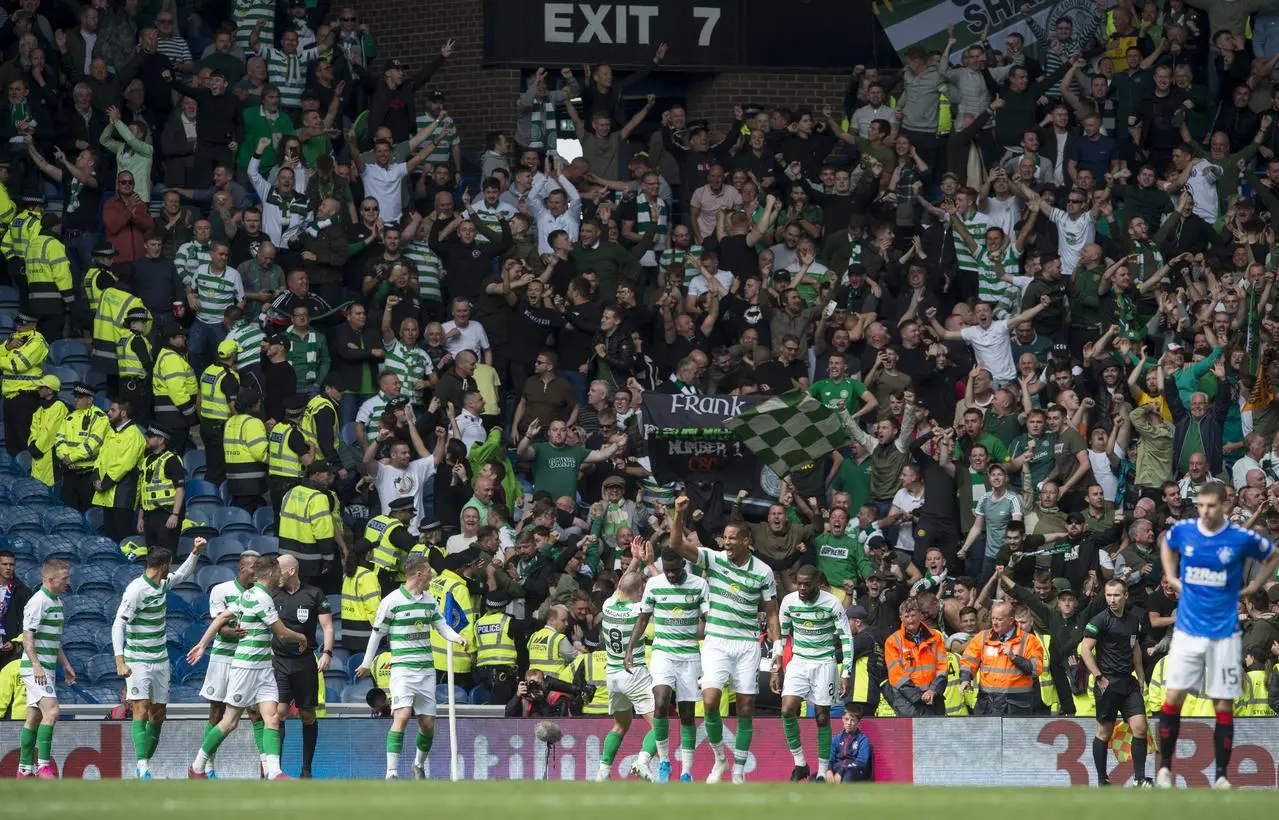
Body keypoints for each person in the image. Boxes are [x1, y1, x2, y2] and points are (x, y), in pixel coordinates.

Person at [1156, 482, 1279, 789]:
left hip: (1223, 633)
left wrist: (1253, 587)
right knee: (1173, 698)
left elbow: (1273, 555)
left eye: (1211, 505)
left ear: (1225, 504)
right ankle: (1165, 770)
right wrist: (1170, 575)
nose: (1205, 511)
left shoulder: (1238, 538)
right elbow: (1166, 542)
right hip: (1187, 631)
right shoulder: (1185, 530)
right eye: (1200, 505)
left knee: (1223, 703)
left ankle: (1222, 776)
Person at [670, 494, 779, 783]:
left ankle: (739, 771)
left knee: (745, 707)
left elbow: (771, 613)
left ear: (746, 541)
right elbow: (676, 545)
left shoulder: (763, 572)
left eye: (732, 539)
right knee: (709, 702)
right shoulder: (714, 559)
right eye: (725, 538)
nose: (726, 543)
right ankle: (720, 758)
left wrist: (778, 648)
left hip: (746, 644)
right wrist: (678, 514)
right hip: (716, 639)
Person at [186, 554, 309, 780]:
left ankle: (274, 772)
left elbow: (221, 617)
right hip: (245, 668)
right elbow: (281, 633)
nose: (282, 576)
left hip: (262, 670)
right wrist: (301, 637)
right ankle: (197, 765)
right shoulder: (262, 598)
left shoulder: (249, 595)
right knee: (229, 722)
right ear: (271, 573)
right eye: (280, 572)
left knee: (271, 717)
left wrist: (203, 644)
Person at [355, 553, 467, 779]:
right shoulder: (392, 601)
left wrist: (457, 638)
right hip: (403, 670)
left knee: (427, 725)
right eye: (428, 571)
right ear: (419, 574)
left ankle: (418, 764)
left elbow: (441, 625)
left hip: (426, 670)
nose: (431, 575)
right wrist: (366, 663)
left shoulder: (428, 601)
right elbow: (377, 635)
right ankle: (391, 773)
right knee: (403, 715)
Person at [113, 539, 206, 780]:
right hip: (138, 660)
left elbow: (184, 573)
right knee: (140, 710)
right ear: (164, 565)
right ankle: (143, 766)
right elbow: (118, 625)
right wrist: (120, 660)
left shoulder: (162, 584)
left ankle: (142, 763)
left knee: (158, 714)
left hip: (160, 659)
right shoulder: (135, 590)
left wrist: (195, 552)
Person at [626, 543, 710, 783]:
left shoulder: (698, 585)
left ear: (684, 564)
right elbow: (643, 619)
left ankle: (686, 772)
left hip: (689, 656)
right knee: (661, 702)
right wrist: (630, 649)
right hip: (663, 653)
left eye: (675, 569)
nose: (671, 575)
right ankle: (663, 762)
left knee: (687, 714)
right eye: (668, 570)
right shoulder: (654, 584)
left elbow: (708, 618)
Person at [774, 565, 854, 782]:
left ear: (817, 583)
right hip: (798, 661)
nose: (801, 588)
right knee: (787, 709)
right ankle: (800, 763)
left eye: (806, 584)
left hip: (824, 663)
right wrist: (776, 665)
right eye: (799, 583)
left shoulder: (831, 603)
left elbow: (846, 637)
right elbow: (781, 634)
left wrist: (845, 671)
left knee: (821, 716)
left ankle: (821, 771)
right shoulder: (789, 602)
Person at [1081, 578, 1151, 787]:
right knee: (1104, 732)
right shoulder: (1099, 621)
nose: (1112, 599)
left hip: (1128, 683)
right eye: (1109, 595)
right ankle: (1103, 781)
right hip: (1108, 683)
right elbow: (1085, 650)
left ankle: (1140, 779)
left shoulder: (1134, 621)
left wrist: (1140, 675)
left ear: (1125, 596)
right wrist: (1099, 676)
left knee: (1140, 727)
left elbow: (1135, 647)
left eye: (1116, 595)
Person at [270, 554, 333, 779]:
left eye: (279, 569)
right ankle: (274, 770)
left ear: (291, 571)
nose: (275, 574)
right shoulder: (272, 594)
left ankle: (306, 770)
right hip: (278, 661)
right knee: (279, 713)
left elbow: (327, 627)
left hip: (305, 662)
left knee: (307, 714)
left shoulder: (314, 594)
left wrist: (327, 652)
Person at [595, 571, 658, 781]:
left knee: (620, 725)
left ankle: (602, 772)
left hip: (612, 675)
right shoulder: (638, 610)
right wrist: (648, 563)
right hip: (634, 672)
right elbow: (662, 591)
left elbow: (624, 584)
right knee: (660, 724)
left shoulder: (607, 604)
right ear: (639, 590)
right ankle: (642, 762)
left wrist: (635, 561)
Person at [200, 550, 258, 780]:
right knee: (216, 712)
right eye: (254, 566)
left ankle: (268, 767)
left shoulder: (262, 592)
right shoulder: (221, 590)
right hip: (224, 658)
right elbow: (218, 624)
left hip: (251, 660)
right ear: (243, 567)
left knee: (257, 713)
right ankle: (206, 764)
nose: (258, 571)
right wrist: (232, 632)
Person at [16, 558, 73, 779]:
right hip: (34, 668)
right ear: (50, 580)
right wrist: (37, 666)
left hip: (46, 667)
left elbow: (53, 641)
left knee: (34, 718)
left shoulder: (57, 602)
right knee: (52, 711)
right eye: (64, 579)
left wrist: (65, 664)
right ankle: (43, 766)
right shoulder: (38, 602)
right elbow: (28, 637)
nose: (68, 582)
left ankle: (23, 769)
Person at [958, 599, 1046, 716]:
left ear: (1011, 620)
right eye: (993, 618)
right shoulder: (983, 637)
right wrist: (965, 679)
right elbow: (968, 660)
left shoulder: (1029, 640)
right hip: (987, 705)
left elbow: (1035, 669)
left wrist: (1015, 658)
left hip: (1016, 707)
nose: (995, 623)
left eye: (999, 619)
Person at [882, 598, 948, 716]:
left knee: (937, 734)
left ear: (920, 616)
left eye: (913, 615)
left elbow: (942, 667)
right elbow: (896, 675)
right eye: (906, 616)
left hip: (933, 698)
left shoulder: (936, 637)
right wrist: (919, 696)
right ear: (901, 618)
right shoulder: (893, 641)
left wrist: (933, 690)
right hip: (907, 702)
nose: (910, 620)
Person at [92, 399, 146, 542]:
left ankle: (130, 564)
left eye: (113, 410)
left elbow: (124, 464)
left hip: (124, 494)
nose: (108, 413)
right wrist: (96, 477)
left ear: (123, 413)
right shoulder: (111, 432)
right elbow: (100, 458)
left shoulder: (134, 435)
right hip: (107, 494)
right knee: (110, 535)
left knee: (124, 534)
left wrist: (104, 483)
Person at [0, 311, 48, 458]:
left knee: (23, 441)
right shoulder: (12, 338)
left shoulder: (37, 341)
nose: (19, 326)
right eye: (18, 322)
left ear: (34, 325)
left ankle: (28, 477)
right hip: (9, 396)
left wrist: (3, 359)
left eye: (23, 324)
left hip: (25, 397)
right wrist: (7, 348)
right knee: (11, 443)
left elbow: (17, 365)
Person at [136, 426, 187, 553]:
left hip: (166, 514)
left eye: (151, 436)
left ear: (161, 440)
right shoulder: (147, 460)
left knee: (166, 556)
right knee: (152, 557)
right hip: (149, 516)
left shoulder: (171, 460)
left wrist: (175, 515)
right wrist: (141, 517)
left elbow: (180, 489)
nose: (147, 439)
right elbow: (144, 491)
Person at [825, 706, 873, 783]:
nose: (849, 723)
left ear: (858, 722)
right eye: (846, 719)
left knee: (847, 777)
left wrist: (841, 771)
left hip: (854, 771)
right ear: (842, 719)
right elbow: (830, 759)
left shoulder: (863, 739)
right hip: (836, 768)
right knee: (815, 778)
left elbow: (861, 762)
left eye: (853, 720)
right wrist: (829, 770)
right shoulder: (836, 738)